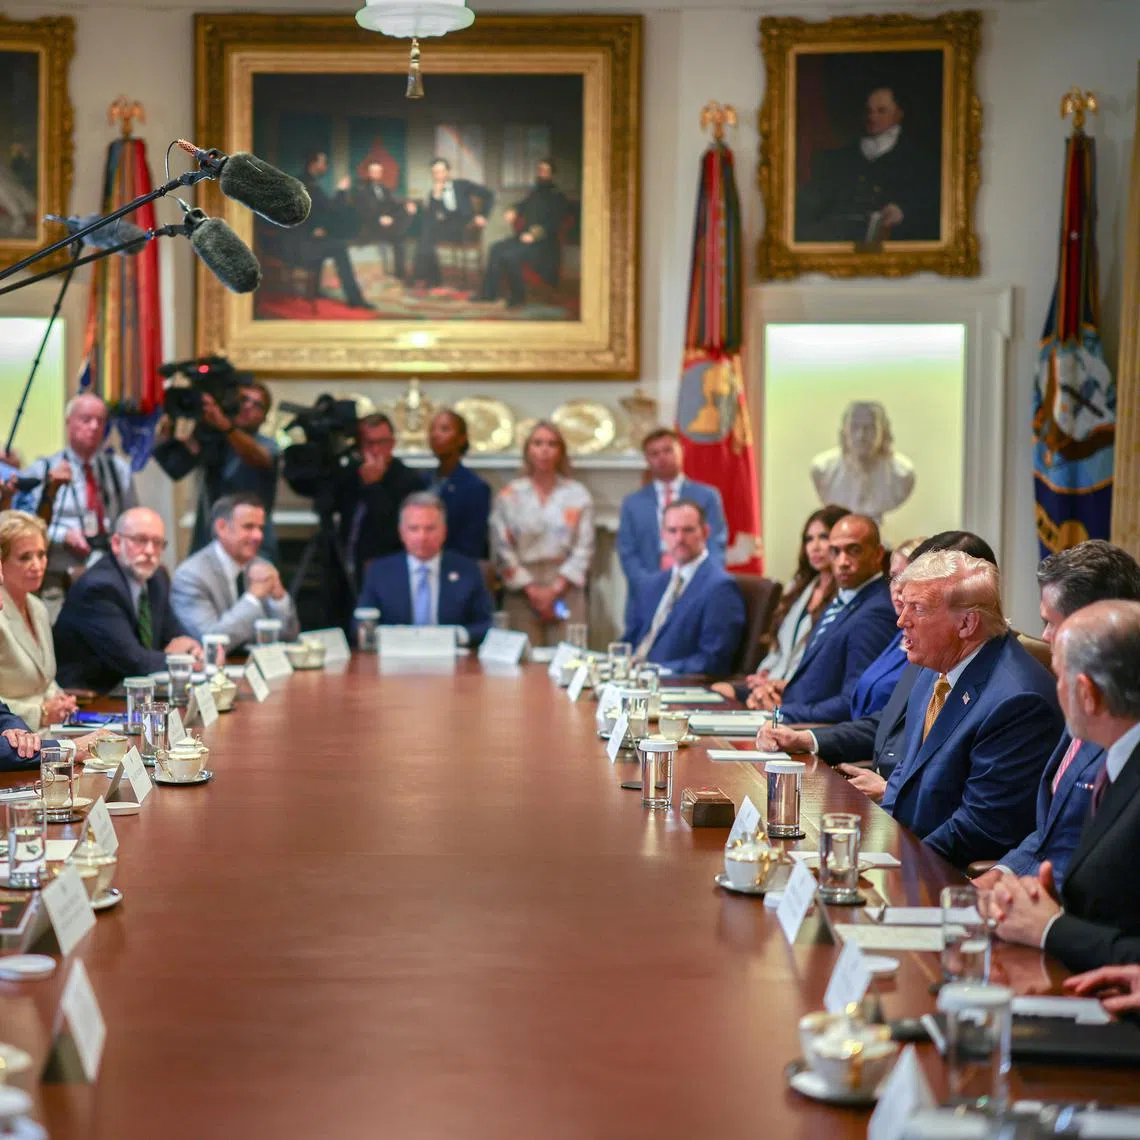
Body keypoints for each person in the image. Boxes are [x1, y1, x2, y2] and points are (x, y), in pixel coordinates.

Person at [757, 532, 998, 784]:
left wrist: (890, 793)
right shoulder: (928, 653)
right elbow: (887, 723)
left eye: (919, 604)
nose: (902, 617)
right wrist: (807, 739)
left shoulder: (992, 681)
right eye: (895, 579)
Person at [877, 551, 1062, 869]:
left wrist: (899, 861)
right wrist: (880, 840)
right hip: (910, 855)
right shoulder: (934, 667)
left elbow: (981, 827)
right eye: (904, 605)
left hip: (952, 877)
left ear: (966, 623)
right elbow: (905, 772)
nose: (901, 620)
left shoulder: (1018, 702)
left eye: (917, 608)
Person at [973, 541, 1140, 892]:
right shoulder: (1082, 696)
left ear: (1094, 620)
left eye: (1050, 622)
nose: (1045, 637)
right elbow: (1052, 831)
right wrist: (1002, 874)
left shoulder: (1110, 709)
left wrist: (1047, 924)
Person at [990, 600, 1140, 971]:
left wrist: (1052, 929)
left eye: (1059, 677)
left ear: (1087, 695)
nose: (1053, 690)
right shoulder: (1119, 759)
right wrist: (1058, 906)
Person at [742, 514, 897, 723]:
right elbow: (821, 679)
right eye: (835, 551)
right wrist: (774, 689)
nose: (842, 562)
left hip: (810, 728)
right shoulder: (844, 598)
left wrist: (780, 712)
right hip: (793, 711)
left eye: (854, 550)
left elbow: (854, 701)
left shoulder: (877, 611)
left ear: (878, 554)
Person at [53, 507, 201, 693]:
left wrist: (193, 649)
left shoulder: (157, 578)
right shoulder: (99, 588)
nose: (149, 551)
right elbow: (133, 661)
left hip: (134, 690)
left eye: (157, 543)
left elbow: (174, 633)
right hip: (92, 698)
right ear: (116, 543)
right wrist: (179, 658)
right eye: (140, 540)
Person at [16, 392, 138, 609]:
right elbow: (25, 529)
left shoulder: (118, 470)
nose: (94, 426)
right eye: (86, 419)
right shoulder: (45, 469)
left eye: (100, 421)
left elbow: (133, 521)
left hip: (107, 573)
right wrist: (64, 536)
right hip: (59, 575)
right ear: (68, 423)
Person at [151, 377, 282, 562]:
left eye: (257, 404)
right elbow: (175, 468)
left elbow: (257, 457)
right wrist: (171, 426)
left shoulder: (267, 446)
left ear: (265, 417)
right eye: (243, 400)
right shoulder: (214, 442)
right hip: (210, 540)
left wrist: (224, 425)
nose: (247, 407)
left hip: (253, 544)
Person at [731, 505, 848, 707]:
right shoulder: (800, 588)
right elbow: (779, 647)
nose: (815, 547)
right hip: (771, 680)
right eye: (809, 539)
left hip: (796, 691)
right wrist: (764, 674)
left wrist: (778, 684)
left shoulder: (844, 596)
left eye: (823, 537)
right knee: (720, 690)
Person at [491, 421, 593, 647]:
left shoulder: (577, 495)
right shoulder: (510, 495)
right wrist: (532, 590)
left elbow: (584, 548)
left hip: (566, 585)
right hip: (522, 586)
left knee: (570, 659)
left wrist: (555, 590)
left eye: (551, 444)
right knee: (522, 662)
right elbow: (501, 546)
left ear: (561, 452)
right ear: (528, 450)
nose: (544, 450)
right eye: (538, 443)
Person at [795, 85, 940, 243]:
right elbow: (814, 203)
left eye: (881, 111)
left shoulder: (918, 159)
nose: (872, 117)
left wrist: (902, 212)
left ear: (898, 114)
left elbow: (930, 208)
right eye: (869, 110)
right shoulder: (839, 157)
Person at [616, 428, 728, 628]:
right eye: (654, 453)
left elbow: (716, 543)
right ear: (647, 460)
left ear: (681, 451)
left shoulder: (707, 496)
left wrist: (704, 584)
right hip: (647, 589)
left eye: (667, 450)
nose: (662, 458)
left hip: (695, 589)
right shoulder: (632, 503)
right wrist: (649, 586)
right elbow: (627, 553)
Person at [622, 500, 745, 675]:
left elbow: (712, 660)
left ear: (705, 532)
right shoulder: (654, 584)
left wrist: (654, 671)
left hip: (673, 687)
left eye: (688, 530)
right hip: (631, 681)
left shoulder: (720, 588)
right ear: (663, 535)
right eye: (672, 530)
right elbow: (630, 640)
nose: (679, 538)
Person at [356, 493, 494, 648]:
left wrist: (458, 636)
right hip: (396, 660)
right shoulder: (379, 571)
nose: (422, 537)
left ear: (444, 531)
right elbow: (360, 623)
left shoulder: (467, 569)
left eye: (430, 529)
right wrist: (389, 636)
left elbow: (488, 624)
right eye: (414, 529)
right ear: (402, 533)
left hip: (453, 661)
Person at [171, 493, 299, 647]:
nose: (258, 536)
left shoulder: (262, 566)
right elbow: (211, 641)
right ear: (222, 527)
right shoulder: (191, 575)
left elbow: (290, 636)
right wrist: (253, 598)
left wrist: (278, 598)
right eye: (248, 527)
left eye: (260, 528)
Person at [331, 413, 426, 588]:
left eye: (382, 443)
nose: (375, 450)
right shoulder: (350, 474)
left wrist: (373, 487)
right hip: (346, 567)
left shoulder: (409, 480)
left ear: (392, 444)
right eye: (369, 443)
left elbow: (393, 530)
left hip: (390, 571)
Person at [0, 511, 75, 730]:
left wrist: (61, 700)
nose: (37, 564)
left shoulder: (38, 607)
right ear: (1, 562)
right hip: (13, 738)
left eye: (41, 555)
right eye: (25, 557)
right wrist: (40, 713)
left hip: (50, 732)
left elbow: (44, 680)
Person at [478, 158, 572, 308]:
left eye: (545, 171)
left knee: (510, 255)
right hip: (525, 238)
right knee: (495, 247)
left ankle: (517, 297)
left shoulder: (558, 196)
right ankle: (489, 294)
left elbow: (554, 223)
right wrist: (513, 209)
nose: (541, 173)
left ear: (551, 174)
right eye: (539, 170)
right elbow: (523, 205)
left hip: (544, 245)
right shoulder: (535, 192)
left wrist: (534, 235)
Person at [809, 401, 915, 524]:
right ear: (844, 431)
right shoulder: (822, 470)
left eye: (869, 428)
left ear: (883, 431)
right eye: (854, 427)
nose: (861, 436)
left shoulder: (902, 474)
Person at [297, 152, 373, 309]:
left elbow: (317, 211)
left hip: (303, 238)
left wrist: (317, 227)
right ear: (314, 164)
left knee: (330, 239)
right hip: (299, 243)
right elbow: (329, 209)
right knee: (339, 248)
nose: (326, 167)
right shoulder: (307, 185)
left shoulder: (305, 181)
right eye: (323, 163)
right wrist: (341, 190)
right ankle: (355, 299)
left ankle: (315, 290)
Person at [408, 157, 493, 289]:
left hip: (466, 228)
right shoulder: (433, 192)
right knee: (427, 230)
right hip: (446, 228)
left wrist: (482, 215)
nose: (439, 175)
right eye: (435, 173)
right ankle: (431, 279)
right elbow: (433, 215)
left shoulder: (462, 185)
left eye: (441, 171)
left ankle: (424, 277)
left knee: (427, 233)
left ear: (448, 172)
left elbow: (488, 194)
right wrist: (436, 196)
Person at [426, 410, 491, 561]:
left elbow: (472, 544)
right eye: (432, 430)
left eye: (444, 429)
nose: (436, 435)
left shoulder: (475, 487)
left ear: (462, 438)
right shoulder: (422, 480)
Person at [352, 159, 410, 281]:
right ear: (368, 173)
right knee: (391, 233)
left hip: (385, 225)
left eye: (379, 171)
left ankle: (400, 274)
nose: (376, 174)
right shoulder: (361, 189)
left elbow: (393, 204)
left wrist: (404, 207)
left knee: (400, 237)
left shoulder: (384, 188)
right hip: (370, 225)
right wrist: (379, 219)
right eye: (374, 171)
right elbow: (362, 212)